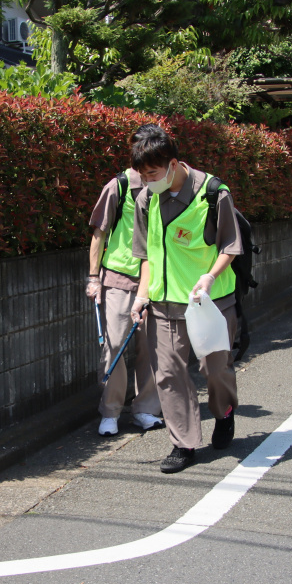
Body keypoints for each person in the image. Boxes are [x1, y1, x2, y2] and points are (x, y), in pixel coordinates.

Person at [128, 127, 243, 473]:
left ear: (174, 164)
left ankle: (223, 413)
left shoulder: (212, 194)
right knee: (168, 374)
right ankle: (184, 443)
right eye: (142, 175)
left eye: (153, 173)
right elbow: (146, 255)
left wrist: (210, 276)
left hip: (209, 303)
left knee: (215, 370)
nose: (147, 181)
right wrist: (141, 296)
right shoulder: (145, 200)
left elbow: (230, 245)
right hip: (163, 305)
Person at [86, 125, 164, 436]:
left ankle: (145, 409)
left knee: (151, 347)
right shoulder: (117, 186)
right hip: (118, 278)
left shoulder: (163, 187)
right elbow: (99, 233)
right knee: (116, 346)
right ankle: (110, 411)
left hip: (155, 280)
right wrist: (93, 278)